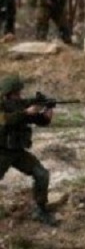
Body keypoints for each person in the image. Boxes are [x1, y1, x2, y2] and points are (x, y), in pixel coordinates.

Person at [0, 75, 59, 226]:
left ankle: (40, 210)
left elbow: (41, 121)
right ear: (7, 94)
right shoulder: (4, 107)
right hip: (2, 153)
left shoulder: (20, 107)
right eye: (16, 94)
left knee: (42, 174)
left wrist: (47, 111)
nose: (20, 97)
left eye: (20, 93)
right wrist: (26, 112)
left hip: (18, 152)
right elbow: (5, 120)